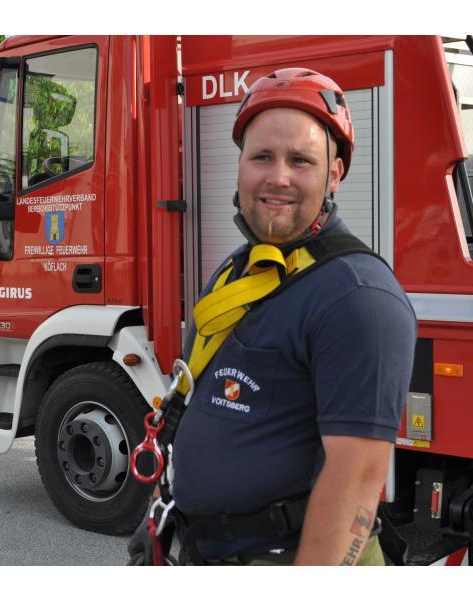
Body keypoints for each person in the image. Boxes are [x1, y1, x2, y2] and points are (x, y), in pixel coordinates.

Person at [134, 68, 417, 566]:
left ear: (335, 173)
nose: (278, 177)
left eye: (300, 160)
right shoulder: (236, 271)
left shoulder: (357, 297)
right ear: (240, 165)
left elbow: (354, 485)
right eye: (262, 156)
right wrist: (160, 512)